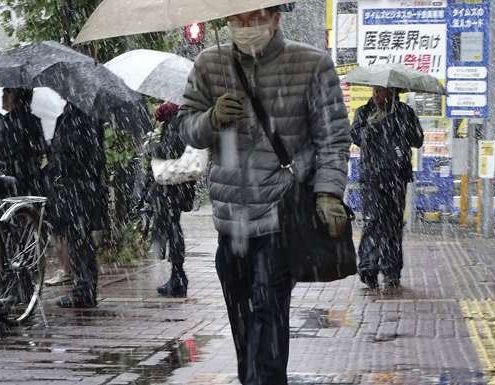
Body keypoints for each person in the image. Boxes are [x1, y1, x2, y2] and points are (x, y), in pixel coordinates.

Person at [178, 6, 350, 384]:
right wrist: (211, 119)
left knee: (268, 314)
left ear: (276, 18)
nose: (246, 27)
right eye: (237, 19)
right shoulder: (210, 64)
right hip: (230, 219)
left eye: (255, 18)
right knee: (243, 323)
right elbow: (186, 129)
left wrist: (328, 193)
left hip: (280, 213)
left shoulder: (312, 65)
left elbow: (333, 140)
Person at [351, 86, 423, 291]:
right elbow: (356, 136)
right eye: (375, 91)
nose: (376, 95)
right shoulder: (363, 112)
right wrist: (372, 127)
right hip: (372, 177)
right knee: (372, 222)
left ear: (392, 93)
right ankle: (368, 269)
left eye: (381, 91)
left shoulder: (405, 112)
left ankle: (391, 269)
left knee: (393, 224)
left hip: (396, 176)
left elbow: (418, 140)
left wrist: (398, 125)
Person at [47, 103, 107, 307]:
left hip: (80, 189)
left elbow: (92, 155)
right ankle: (83, 288)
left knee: (80, 240)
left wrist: (64, 162)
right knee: (78, 239)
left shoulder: (84, 116)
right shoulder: (70, 115)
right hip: (75, 189)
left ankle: (85, 290)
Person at [142, 102, 195, 298]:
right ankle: (177, 276)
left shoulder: (176, 120)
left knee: (172, 228)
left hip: (172, 186)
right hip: (175, 185)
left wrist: (153, 149)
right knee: (172, 227)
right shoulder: (178, 119)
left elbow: (171, 150)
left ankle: (179, 277)